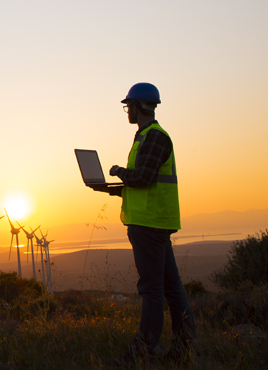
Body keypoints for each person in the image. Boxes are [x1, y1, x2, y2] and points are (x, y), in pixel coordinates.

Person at [93, 82, 195, 367]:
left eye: (129, 106)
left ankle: (141, 353)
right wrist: (111, 189)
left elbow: (144, 178)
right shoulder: (147, 137)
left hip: (149, 224)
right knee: (171, 288)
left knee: (152, 290)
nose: (127, 111)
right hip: (154, 222)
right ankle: (185, 350)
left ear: (138, 106)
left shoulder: (153, 137)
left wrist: (118, 172)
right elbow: (142, 182)